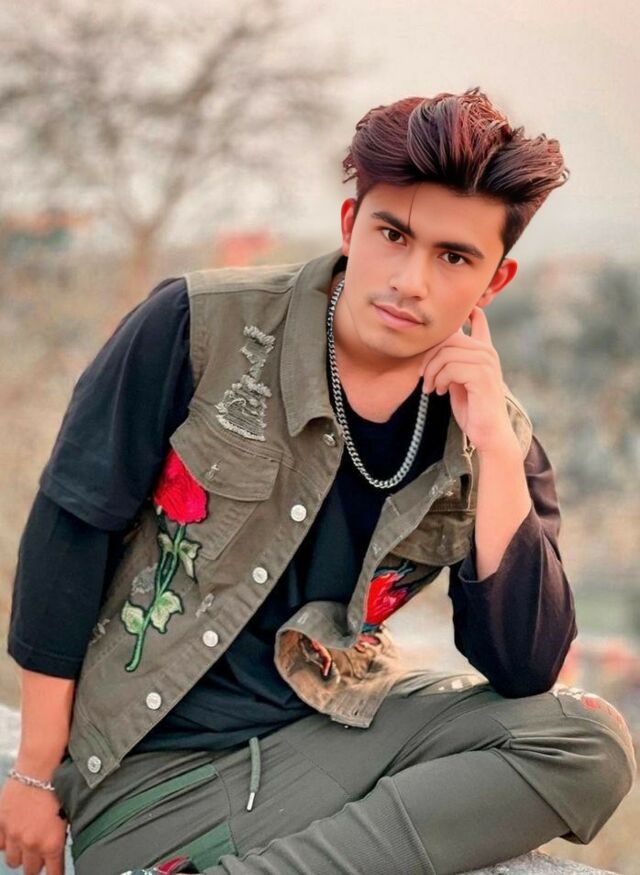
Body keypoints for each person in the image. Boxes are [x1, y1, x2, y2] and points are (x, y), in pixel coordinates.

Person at [0, 87, 636, 875]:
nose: (411, 280)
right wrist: (35, 773)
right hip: (157, 775)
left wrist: (496, 453)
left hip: (332, 732)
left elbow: (525, 667)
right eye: (393, 235)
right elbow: (69, 530)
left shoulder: (489, 427)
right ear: (350, 225)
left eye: (453, 257)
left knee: (589, 742)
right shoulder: (200, 325)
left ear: (493, 282)